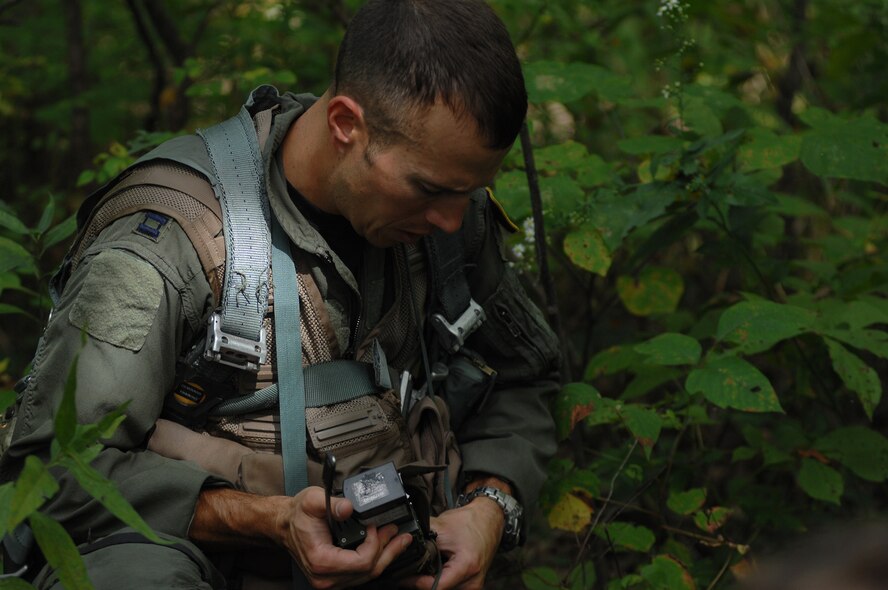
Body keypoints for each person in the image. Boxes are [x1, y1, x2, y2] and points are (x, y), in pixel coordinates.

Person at [0, 0, 560, 588]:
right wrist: (262, 518)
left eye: (467, 192)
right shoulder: (174, 241)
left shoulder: (448, 217)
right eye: (428, 189)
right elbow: (50, 474)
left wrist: (492, 505)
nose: (451, 218)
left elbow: (526, 378)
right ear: (346, 123)